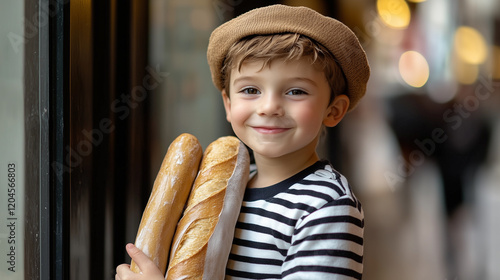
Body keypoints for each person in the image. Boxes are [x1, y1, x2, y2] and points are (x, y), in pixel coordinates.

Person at [116, 4, 369, 280]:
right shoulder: (227, 184)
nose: (269, 107)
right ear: (227, 103)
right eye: (251, 90)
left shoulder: (327, 205)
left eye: (296, 91)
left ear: (333, 110)